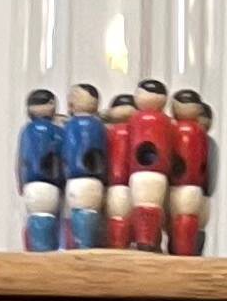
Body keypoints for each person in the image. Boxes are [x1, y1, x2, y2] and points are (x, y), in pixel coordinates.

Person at [122, 82, 175, 250]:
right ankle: (147, 243)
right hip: (151, 176)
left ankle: (146, 243)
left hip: (146, 176)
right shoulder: (164, 121)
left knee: (148, 207)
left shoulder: (142, 120)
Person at [61, 83, 110, 248]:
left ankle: (84, 248)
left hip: (81, 181)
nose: (69, 103)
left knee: (81, 212)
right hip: (87, 182)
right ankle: (83, 247)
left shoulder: (76, 125)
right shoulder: (97, 125)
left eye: (73, 98)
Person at [166, 88, 214, 257]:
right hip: (185, 190)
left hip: (194, 192)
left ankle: (189, 253)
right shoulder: (178, 131)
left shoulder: (202, 139)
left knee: (191, 223)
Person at [16, 89, 65, 251]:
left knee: (37, 216)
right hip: (50, 185)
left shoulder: (27, 131)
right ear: (52, 105)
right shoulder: (55, 131)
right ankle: (43, 251)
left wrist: (20, 181)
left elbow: (19, 161)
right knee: (46, 217)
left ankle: (38, 250)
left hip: (34, 185)